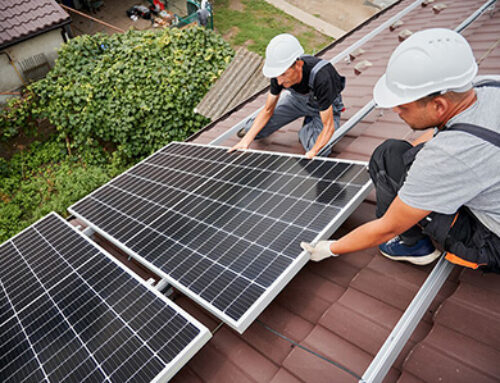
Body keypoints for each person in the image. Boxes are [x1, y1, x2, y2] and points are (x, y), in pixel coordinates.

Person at [301, 28, 500, 273]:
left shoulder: (449, 156)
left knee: (384, 158)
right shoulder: (488, 86)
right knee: (400, 156)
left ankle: (410, 245)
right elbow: (451, 132)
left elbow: (388, 226)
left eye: (402, 105)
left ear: (439, 105)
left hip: (492, 242)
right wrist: (417, 161)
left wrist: (331, 248)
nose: (396, 110)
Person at [229, 33, 345, 159]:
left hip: (324, 108)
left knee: (320, 151)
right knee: (251, 130)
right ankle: (249, 129)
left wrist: (313, 152)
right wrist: (245, 141)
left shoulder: (322, 77)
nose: (279, 82)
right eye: (277, 76)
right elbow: (268, 110)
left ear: (299, 65)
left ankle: (308, 126)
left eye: (284, 74)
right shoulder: (278, 75)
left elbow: (328, 126)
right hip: (297, 102)